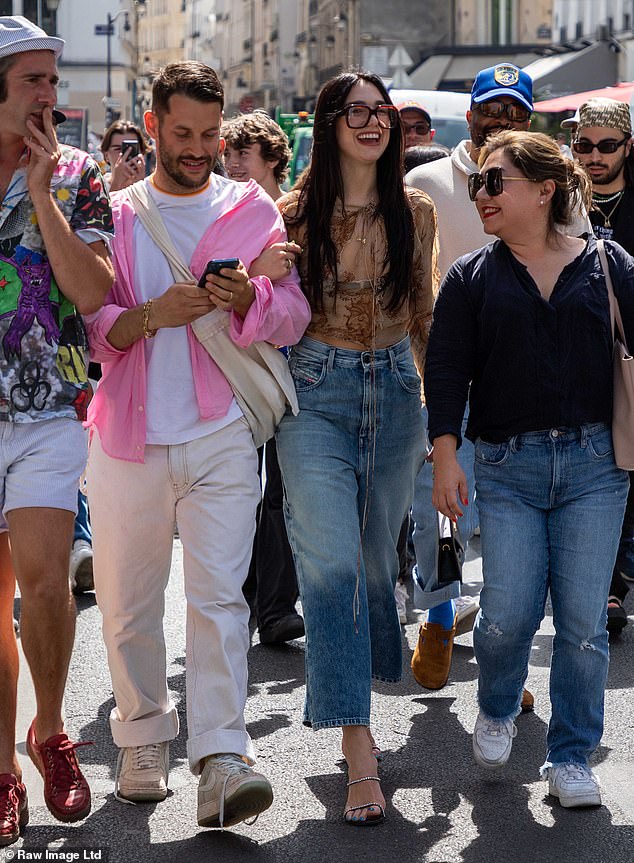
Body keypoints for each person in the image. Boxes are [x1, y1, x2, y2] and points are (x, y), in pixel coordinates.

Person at [84, 61, 310, 829]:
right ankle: (143, 738)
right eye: (181, 133)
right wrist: (155, 313)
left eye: (210, 134)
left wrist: (252, 295)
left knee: (218, 600)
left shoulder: (252, 208)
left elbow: (290, 319)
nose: (198, 147)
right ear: (152, 126)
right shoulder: (115, 215)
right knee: (126, 605)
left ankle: (221, 754)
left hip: (221, 433)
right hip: (127, 438)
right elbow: (96, 332)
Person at [426, 129, 633, 808]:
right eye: (477, 183)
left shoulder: (609, 265)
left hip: (596, 465)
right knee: (508, 613)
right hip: (506, 466)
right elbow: (449, 371)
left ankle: (570, 756)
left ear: (544, 190)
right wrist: (446, 454)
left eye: (495, 182)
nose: (480, 194)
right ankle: (495, 705)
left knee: (581, 623)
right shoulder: (471, 277)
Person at [276, 70, 437, 826]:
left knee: (377, 563)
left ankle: (366, 667)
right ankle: (358, 749)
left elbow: (427, 316)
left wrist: (446, 427)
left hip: (398, 395)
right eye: (356, 110)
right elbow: (267, 310)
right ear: (330, 120)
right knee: (332, 563)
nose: (372, 122)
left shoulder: (418, 213)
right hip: (315, 392)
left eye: (381, 112)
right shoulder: (290, 215)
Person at [405, 63, 589, 694]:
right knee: (436, 509)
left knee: (515, 524)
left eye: (516, 111)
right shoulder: (425, 181)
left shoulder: (551, 186)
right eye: (493, 109)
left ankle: (504, 654)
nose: (503, 120)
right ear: (473, 111)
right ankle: (435, 614)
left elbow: (577, 267)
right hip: (439, 372)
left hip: (522, 380)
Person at [0, 15, 114, 846]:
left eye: (53, 76)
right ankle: (1, 767)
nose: (51, 94)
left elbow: (90, 293)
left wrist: (41, 194)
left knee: (43, 584)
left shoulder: (78, 174)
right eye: (35, 79)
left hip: (47, 411)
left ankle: (48, 732)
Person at [221, 112, 305, 643]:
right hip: (235, 371)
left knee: (282, 492)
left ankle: (275, 607)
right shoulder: (222, 212)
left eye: (242, 154)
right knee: (240, 490)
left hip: (291, 367)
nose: (230, 163)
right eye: (227, 153)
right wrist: (256, 276)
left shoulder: (294, 216)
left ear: (274, 159)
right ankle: (248, 597)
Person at [571, 97, 634, 634]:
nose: (593, 156)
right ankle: (609, 588)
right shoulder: (560, 200)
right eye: (583, 145)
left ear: (627, 148)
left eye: (606, 146)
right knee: (604, 469)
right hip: (584, 357)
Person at [100, 119, 147, 192]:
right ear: (106, 155)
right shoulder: (97, 187)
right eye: (118, 149)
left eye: (132, 149)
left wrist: (141, 188)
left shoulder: (152, 188)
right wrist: (116, 184)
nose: (125, 154)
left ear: (142, 153)